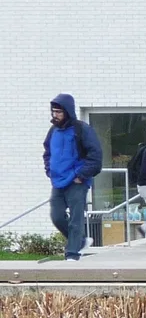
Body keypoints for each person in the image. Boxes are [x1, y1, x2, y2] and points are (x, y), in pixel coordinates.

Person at [42, 94, 102, 261]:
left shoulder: (82, 129)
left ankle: (72, 254)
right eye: (53, 111)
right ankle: (80, 241)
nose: (55, 115)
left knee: (76, 219)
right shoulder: (53, 131)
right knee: (56, 216)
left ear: (67, 112)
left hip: (77, 181)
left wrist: (82, 176)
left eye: (59, 112)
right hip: (58, 181)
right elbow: (47, 152)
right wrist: (49, 171)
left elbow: (96, 155)